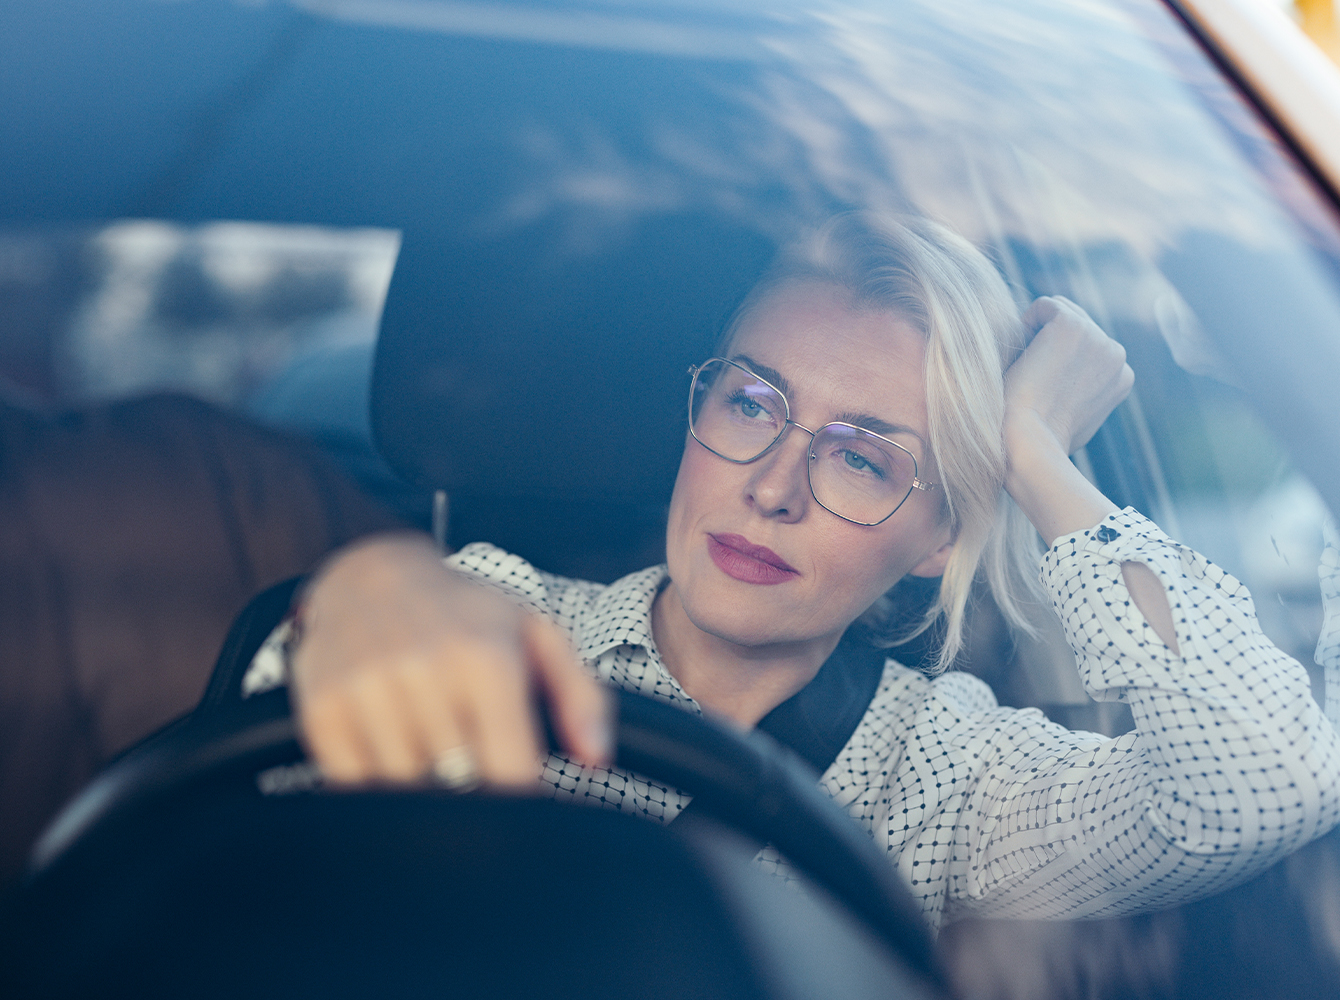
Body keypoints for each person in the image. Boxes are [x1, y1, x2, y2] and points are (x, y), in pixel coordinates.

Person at [241, 213, 1340, 929]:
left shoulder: (949, 779)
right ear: (696, 410)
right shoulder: (489, 613)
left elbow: (1260, 783)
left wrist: (1038, 464)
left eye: (863, 458)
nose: (771, 486)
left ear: (939, 538)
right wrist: (359, 592)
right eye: (750, 405)